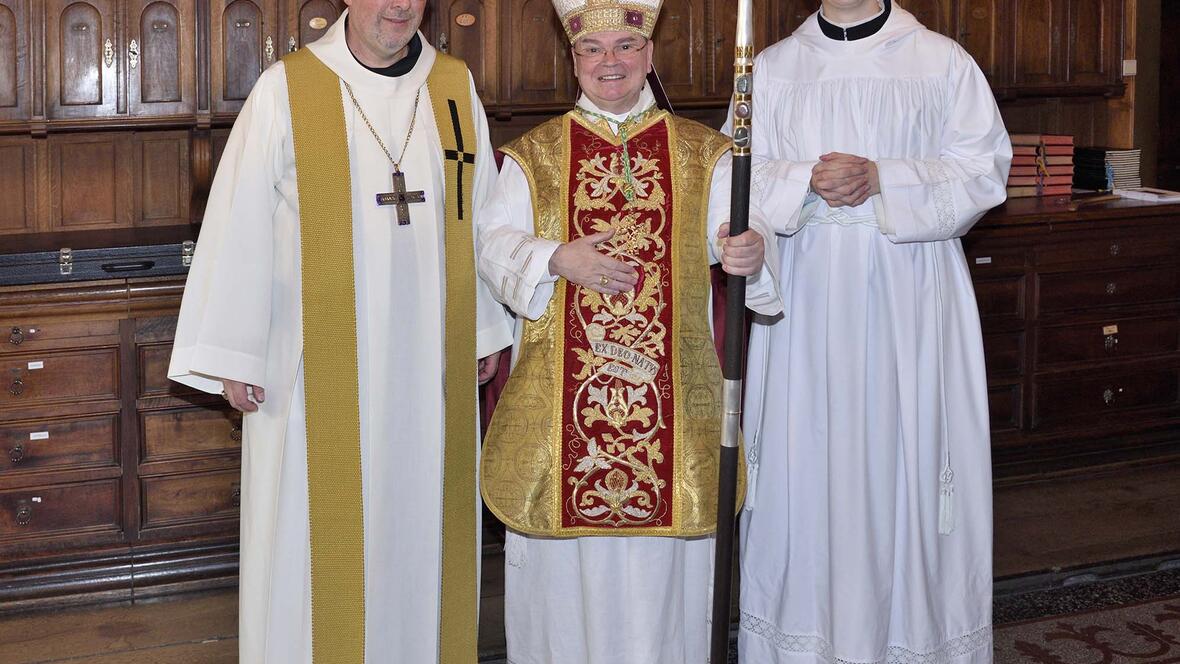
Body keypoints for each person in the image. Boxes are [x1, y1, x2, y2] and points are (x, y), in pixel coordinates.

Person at [166, 0, 512, 661]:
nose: (399, 6)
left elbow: (484, 212)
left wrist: (483, 327)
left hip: (430, 365)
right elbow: (239, 220)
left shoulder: (453, 86)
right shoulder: (288, 89)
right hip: (315, 370)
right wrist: (235, 352)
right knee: (314, 546)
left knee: (421, 525)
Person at [475, 1, 782, 662]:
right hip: (562, 415)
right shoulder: (532, 157)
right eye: (593, 49)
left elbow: (744, 231)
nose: (608, 62)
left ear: (648, 55)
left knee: (664, 596)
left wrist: (749, 250)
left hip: (672, 411)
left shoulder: (705, 154)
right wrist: (554, 258)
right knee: (562, 596)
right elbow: (491, 244)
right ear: (573, 59)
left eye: (624, 46)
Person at [734, 0, 1012, 662]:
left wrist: (885, 177)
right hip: (804, 297)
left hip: (907, 294)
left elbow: (984, 168)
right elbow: (735, 174)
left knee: (905, 456)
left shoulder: (941, 61)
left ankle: (910, 640)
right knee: (806, 461)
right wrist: (804, 180)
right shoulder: (771, 68)